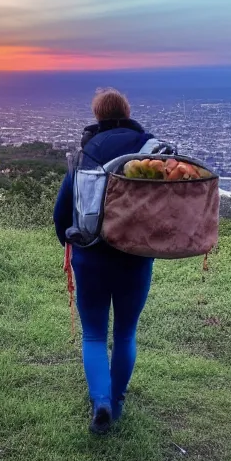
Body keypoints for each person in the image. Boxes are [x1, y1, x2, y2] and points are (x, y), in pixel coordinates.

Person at [53, 88, 155, 435]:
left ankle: (101, 402)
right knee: (125, 333)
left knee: (95, 335)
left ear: (97, 116)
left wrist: (68, 240)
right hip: (137, 256)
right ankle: (118, 399)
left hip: (91, 255)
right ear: (126, 113)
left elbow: (62, 211)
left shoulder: (85, 154)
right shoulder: (151, 149)